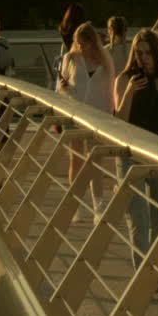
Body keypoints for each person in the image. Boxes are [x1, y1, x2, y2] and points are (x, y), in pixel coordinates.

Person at [114, 29, 158, 268]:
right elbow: (118, 121)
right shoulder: (124, 80)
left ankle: (156, 270)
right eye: (139, 53)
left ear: (157, 54)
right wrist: (130, 92)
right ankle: (141, 273)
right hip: (130, 153)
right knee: (138, 219)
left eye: (148, 53)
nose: (143, 58)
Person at [58, 21, 115, 217]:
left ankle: (98, 204)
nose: (81, 47)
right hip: (74, 113)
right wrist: (64, 90)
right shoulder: (70, 58)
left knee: (95, 160)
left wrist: (110, 115)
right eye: (78, 43)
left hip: (97, 115)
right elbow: (60, 87)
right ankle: (76, 204)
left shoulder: (104, 61)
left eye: (85, 43)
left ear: (93, 42)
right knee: (77, 159)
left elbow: (109, 91)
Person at [54, 3, 86, 88]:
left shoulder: (64, 30)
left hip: (65, 60)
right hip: (76, 64)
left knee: (63, 86)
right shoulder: (80, 31)